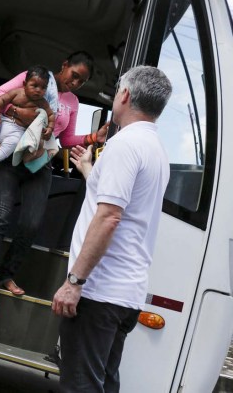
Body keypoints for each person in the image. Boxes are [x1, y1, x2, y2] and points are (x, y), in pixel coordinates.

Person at [51, 66, 172, 392]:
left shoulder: (124, 146)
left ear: (126, 95)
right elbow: (119, 207)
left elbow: (109, 218)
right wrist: (90, 170)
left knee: (81, 385)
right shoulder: (155, 149)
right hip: (124, 295)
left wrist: (74, 281)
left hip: (98, 291)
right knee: (103, 383)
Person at [0, 51, 108, 313]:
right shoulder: (37, 80)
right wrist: (18, 111)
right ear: (64, 66)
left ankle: (6, 276)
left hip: (40, 162)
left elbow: (67, 139)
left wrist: (94, 137)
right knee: (0, 218)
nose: (75, 84)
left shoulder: (72, 101)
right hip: (11, 156)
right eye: (74, 76)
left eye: (81, 82)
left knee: (31, 223)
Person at [0, 64, 58, 166]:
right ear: (25, 84)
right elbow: (1, 100)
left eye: (43, 88)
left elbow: (51, 115)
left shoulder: (42, 102)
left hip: (18, 130)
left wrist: (50, 127)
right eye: (35, 86)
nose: (39, 90)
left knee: (13, 142)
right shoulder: (16, 93)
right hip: (2, 122)